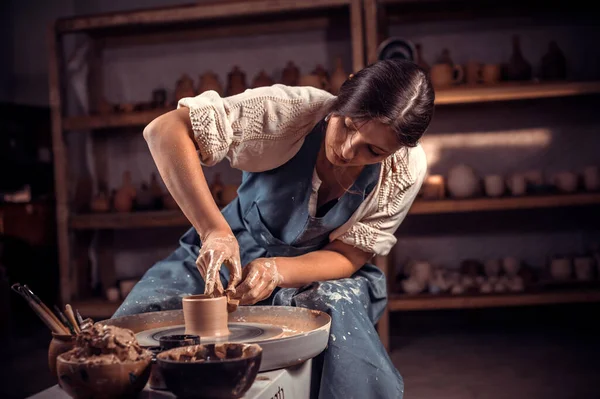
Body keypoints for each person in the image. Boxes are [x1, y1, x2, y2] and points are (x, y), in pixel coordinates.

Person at [113, 58, 435, 398]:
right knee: (131, 332)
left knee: (337, 313)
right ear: (345, 92)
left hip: (314, 270)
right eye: (349, 125)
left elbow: (348, 254)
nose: (346, 149)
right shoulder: (289, 111)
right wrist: (213, 231)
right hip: (229, 247)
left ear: (400, 149)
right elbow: (165, 130)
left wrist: (277, 270)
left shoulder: (404, 169)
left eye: (372, 150)